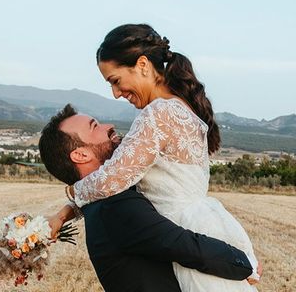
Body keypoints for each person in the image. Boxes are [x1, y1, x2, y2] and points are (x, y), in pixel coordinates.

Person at [55, 24, 260, 291]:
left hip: (185, 231)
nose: (116, 93)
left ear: (142, 65)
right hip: (201, 226)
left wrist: (71, 195)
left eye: (115, 81)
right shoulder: (175, 107)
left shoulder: (158, 114)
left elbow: (112, 179)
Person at [39, 104, 255, 292]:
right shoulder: (114, 206)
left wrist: (63, 213)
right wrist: (244, 262)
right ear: (80, 155)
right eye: (95, 126)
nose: (108, 126)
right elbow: (185, 246)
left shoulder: (99, 202)